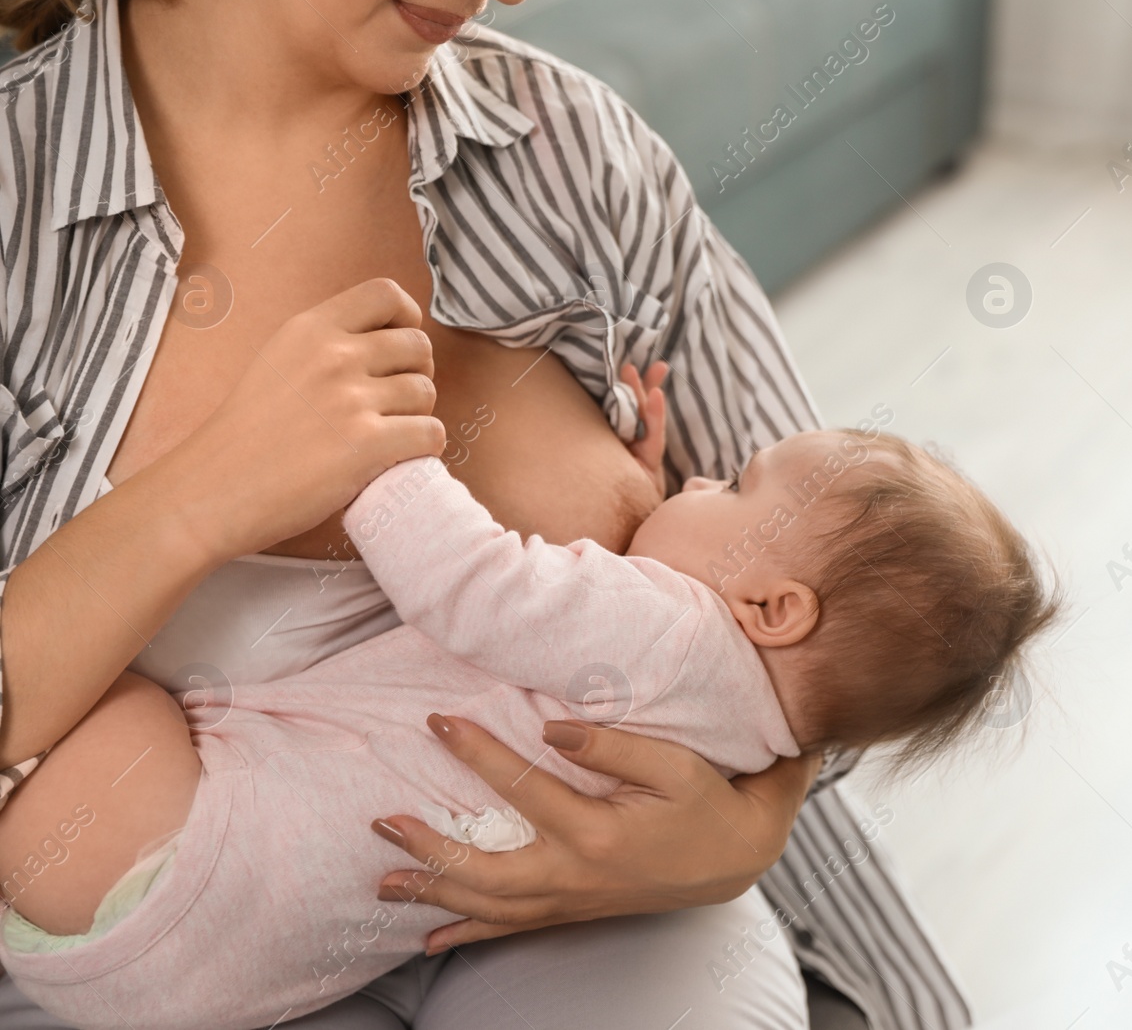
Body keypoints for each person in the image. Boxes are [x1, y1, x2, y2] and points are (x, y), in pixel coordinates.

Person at [0, 0, 973, 1028]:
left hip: (604, 933)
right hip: (174, 951)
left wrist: (745, 841)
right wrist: (196, 500)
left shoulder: (574, 153)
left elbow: (833, 622)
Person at [0, 382, 1057, 1030]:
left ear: (771, 606)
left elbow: (477, 585)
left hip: (163, 866)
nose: (692, 485)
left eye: (731, 485)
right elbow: (589, 627)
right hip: (221, 967)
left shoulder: (670, 628)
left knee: (103, 684)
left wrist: (381, 456)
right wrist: (648, 499)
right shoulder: (736, 735)